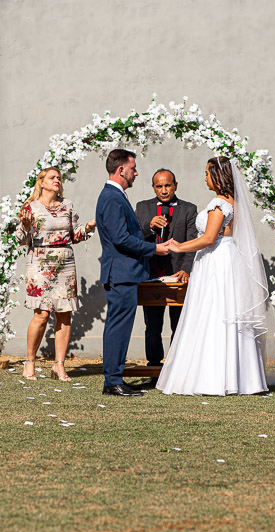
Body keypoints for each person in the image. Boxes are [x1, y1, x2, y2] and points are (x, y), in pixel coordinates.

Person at [157, 157, 269, 395]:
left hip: (216, 260)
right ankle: (241, 377)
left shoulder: (220, 203)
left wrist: (179, 246)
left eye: (207, 173)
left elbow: (208, 238)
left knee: (214, 312)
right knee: (226, 312)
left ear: (217, 176)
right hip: (225, 257)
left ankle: (212, 377)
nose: (204, 177)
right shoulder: (232, 201)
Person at [95, 149, 171, 397]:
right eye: (133, 168)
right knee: (118, 327)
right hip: (122, 273)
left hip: (125, 272)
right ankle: (113, 381)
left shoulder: (116, 196)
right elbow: (121, 239)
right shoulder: (112, 197)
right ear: (121, 170)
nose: (136, 172)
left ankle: (114, 378)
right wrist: (154, 248)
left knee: (119, 326)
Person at [16, 167, 96, 381]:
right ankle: (30, 362)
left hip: (65, 263)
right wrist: (25, 227)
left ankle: (59, 365)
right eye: (52, 177)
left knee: (64, 314)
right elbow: (21, 240)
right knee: (41, 315)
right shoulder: (30, 207)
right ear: (41, 182)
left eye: (59, 178)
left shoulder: (67, 205)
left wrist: (88, 227)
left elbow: (74, 235)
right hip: (39, 264)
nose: (57, 180)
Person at [135, 168, 197, 369]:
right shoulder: (143, 207)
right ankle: (154, 365)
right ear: (153, 188)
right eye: (159, 186)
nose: (163, 190)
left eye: (167, 185)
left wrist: (186, 269)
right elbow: (133, 239)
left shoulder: (188, 209)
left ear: (175, 185)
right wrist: (149, 226)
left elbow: (192, 242)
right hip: (151, 274)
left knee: (178, 324)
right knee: (152, 326)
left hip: (178, 275)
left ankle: (177, 366)